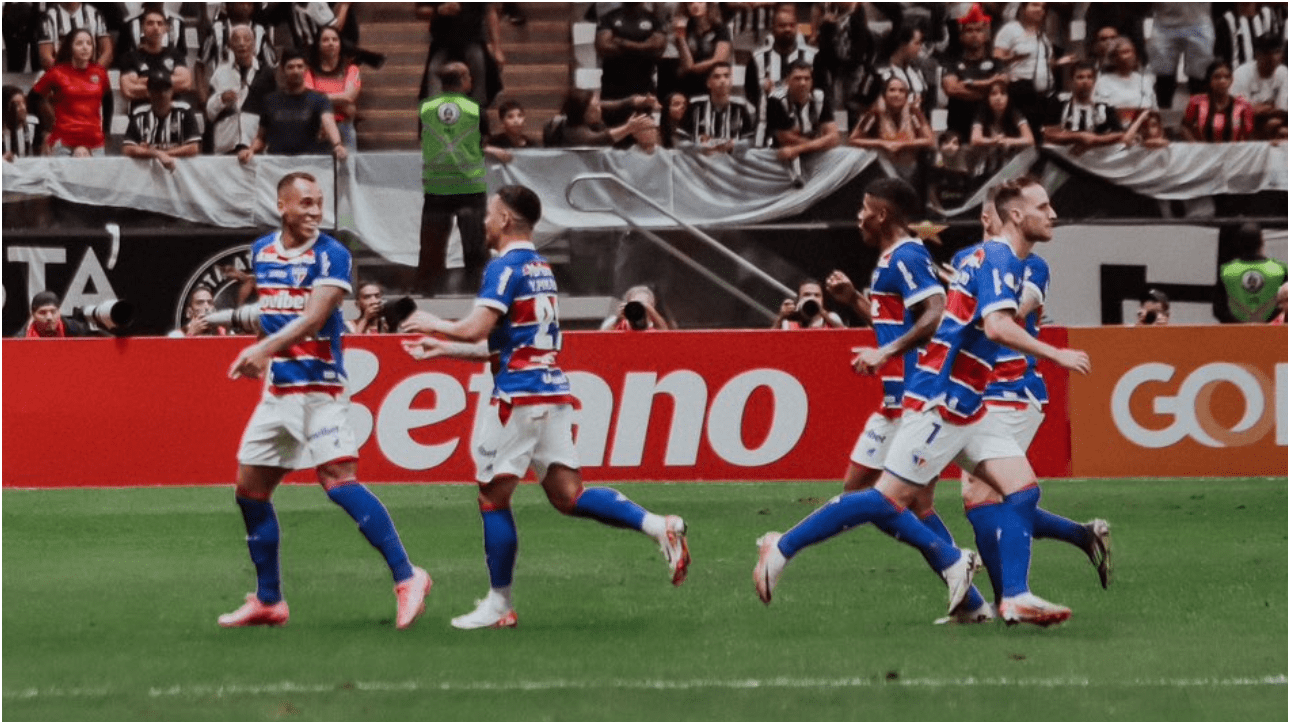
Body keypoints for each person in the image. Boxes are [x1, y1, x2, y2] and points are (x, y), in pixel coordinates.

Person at [756, 176, 1094, 627]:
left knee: (1023, 490)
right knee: (886, 500)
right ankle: (780, 548)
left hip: (971, 400)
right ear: (1017, 215)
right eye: (1044, 206)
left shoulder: (983, 257)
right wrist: (1058, 354)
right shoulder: (1000, 258)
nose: (1053, 215)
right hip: (944, 396)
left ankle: (1014, 597)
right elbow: (996, 326)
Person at [399, 184, 691, 629]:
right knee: (569, 496)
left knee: (492, 499)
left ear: (505, 220)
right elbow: (510, 344)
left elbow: (479, 328)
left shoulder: (504, 268)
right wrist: (441, 351)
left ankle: (499, 605)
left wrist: (436, 323)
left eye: (490, 214)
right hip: (550, 392)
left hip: (519, 397)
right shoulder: (540, 268)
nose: (483, 222)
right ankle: (658, 525)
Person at [752, 179, 980, 616]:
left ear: (882, 214)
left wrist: (885, 352)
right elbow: (897, 322)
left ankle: (781, 547)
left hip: (917, 396)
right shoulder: (891, 260)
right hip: (898, 399)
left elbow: (936, 314)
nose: (858, 216)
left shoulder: (910, 254)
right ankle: (967, 595)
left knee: (877, 499)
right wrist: (855, 300)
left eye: (863, 208)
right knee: (877, 495)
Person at [219, 171, 431, 629]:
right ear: (282, 206)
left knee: (338, 481)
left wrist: (261, 350)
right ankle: (269, 600)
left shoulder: (332, 254)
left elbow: (314, 319)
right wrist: (258, 344)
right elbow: (274, 312)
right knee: (250, 492)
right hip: (278, 391)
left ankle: (408, 576)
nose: (315, 211)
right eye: (306, 203)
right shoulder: (262, 252)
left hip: (321, 389)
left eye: (319, 203)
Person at [954, 192, 1112, 617]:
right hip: (975, 391)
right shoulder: (967, 258)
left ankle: (1009, 597)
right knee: (987, 497)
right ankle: (1079, 538)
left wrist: (975, 300)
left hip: (1014, 389)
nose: (989, 217)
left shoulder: (1030, 264)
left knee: (983, 493)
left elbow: (1013, 310)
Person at [417, 61, 488, 295]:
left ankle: (429, 295)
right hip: (470, 186)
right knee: (475, 247)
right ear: (464, 80)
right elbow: (483, 141)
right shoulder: (476, 109)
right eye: (469, 76)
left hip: (437, 188)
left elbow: (421, 139)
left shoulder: (425, 109)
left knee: (431, 249)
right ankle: (478, 294)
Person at [238, 48, 347, 163]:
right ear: (283, 70)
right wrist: (251, 150)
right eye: (291, 67)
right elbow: (261, 138)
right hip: (278, 165)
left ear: (306, 69)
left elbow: (329, 122)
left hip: (309, 164)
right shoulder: (270, 101)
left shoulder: (319, 99)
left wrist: (337, 144)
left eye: (300, 66)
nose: (295, 70)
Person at [745, 4, 822, 147]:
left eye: (791, 25)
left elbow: (819, 93)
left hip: (805, 133)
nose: (787, 29)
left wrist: (776, 91)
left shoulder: (812, 57)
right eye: (782, 25)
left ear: (797, 27)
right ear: (772, 29)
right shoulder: (757, 59)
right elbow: (751, 93)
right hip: (765, 134)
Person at [993, 2, 1074, 134]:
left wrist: (1058, 63)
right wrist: (1012, 59)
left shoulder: (1042, 35)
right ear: (1023, 8)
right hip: (1020, 93)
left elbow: (1044, 63)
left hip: (1045, 96)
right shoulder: (1011, 29)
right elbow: (996, 60)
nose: (1040, 10)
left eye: (1043, 7)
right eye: (1035, 5)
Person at [31, 28, 108, 157]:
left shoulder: (100, 72)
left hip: (94, 140)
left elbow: (108, 101)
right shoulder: (57, 72)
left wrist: (107, 131)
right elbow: (34, 97)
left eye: (89, 43)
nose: (85, 47)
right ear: (70, 47)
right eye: (79, 43)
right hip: (64, 138)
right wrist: (45, 130)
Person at [205, 23, 277, 156]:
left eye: (246, 39)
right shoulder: (220, 73)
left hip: (255, 146)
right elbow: (209, 113)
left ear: (254, 45)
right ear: (230, 45)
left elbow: (273, 110)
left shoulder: (266, 74)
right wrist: (221, 99)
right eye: (237, 39)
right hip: (225, 144)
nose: (242, 43)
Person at [765, 59, 840, 185]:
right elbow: (786, 139)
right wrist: (822, 143)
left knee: (850, 155)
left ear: (812, 81)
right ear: (787, 80)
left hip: (809, 151)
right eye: (797, 78)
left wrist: (799, 148)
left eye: (807, 78)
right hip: (781, 154)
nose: (802, 83)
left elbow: (834, 137)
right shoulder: (776, 100)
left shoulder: (819, 98)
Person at [941, 4, 1008, 143]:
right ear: (961, 36)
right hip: (958, 128)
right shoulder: (952, 62)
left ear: (986, 35)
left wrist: (967, 85)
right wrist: (987, 90)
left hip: (988, 128)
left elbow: (1002, 86)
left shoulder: (996, 62)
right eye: (969, 30)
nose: (974, 34)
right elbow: (952, 89)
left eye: (978, 30)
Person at [416, 2, 502, 109]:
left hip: (473, 40)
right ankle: (435, 113)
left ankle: (479, 113)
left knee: (479, 66)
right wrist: (438, 11)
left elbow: (490, 11)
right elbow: (419, 11)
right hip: (442, 43)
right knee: (433, 71)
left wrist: (497, 49)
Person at [848, 75, 934, 182]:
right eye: (892, 90)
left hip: (909, 164)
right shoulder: (874, 113)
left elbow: (929, 140)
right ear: (884, 95)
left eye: (901, 91)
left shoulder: (914, 112)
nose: (896, 94)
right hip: (882, 163)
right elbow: (854, 139)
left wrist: (902, 144)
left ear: (906, 96)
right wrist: (881, 143)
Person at [118, 7, 193, 116]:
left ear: (166, 28)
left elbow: (186, 83)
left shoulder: (175, 54)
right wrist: (166, 86)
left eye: (160, 23)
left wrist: (143, 81)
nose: (155, 27)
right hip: (141, 114)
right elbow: (129, 90)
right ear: (142, 29)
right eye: (150, 23)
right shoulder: (130, 57)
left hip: (173, 114)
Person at [594, 3, 667, 114]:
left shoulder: (653, 19)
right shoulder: (609, 17)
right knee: (613, 128)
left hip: (643, 86)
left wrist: (622, 42)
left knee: (642, 127)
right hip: (613, 88)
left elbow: (657, 47)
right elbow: (603, 46)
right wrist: (643, 47)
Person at [122, 71, 201, 171]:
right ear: (148, 92)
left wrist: (162, 154)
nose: (162, 94)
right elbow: (128, 148)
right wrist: (156, 154)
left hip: (179, 172)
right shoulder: (139, 114)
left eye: (166, 89)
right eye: (157, 90)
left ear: (172, 91)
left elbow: (193, 148)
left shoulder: (184, 111)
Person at [1043, 62, 1125, 153]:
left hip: (1096, 153)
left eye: (1089, 77)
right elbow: (1048, 134)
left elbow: (1118, 133)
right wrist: (1080, 136)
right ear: (1071, 81)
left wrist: (1095, 139)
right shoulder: (1059, 101)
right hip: (1064, 153)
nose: (1085, 81)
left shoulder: (1104, 104)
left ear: (1094, 81)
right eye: (1080, 77)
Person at [1215, 223, 1289, 323]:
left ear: (1238, 244)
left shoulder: (1226, 271)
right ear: (1262, 243)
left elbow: (1219, 310)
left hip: (1235, 335)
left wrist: (1242, 325)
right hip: (1272, 334)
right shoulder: (1280, 269)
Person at [1147, 4, 1215, 110]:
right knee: (1163, 74)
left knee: (1199, 75)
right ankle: (1163, 116)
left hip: (1198, 21)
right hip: (1164, 22)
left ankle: (1200, 115)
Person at [305, 25, 361, 151]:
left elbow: (349, 97)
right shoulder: (309, 71)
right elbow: (308, 99)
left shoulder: (351, 69)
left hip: (344, 127)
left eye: (335, 40)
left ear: (340, 44)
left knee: (347, 169)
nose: (331, 43)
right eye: (325, 40)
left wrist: (321, 99)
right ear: (318, 44)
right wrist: (341, 102)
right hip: (318, 128)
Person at [679, 62, 756, 153]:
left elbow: (750, 141)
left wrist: (733, 144)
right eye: (717, 77)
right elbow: (680, 141)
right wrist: (700, 147)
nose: (722, 80)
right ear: (708, 83)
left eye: (726, 76)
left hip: (730, 162)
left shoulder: (740, 107)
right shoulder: (695, 105)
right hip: (701, 161)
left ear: (731, 82)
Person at [542, 89, 656, 148]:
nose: (599, 109)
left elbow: (615, 104)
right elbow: (600, 139)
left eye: (598, 105)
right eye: (593, 109)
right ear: (582, 113)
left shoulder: (590, 109)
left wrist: (634, 101)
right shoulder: (574, 132)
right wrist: (628, 128)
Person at [970, 79, 1034, 177]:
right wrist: (993, 141)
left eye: (1003, 93)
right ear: (987, 97)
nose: (998, 98)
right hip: (986, 167)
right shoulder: (981, 113)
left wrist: (1007, 140)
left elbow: (1030, 139)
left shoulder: (1015, 114)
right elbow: (975, 139)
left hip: (1009, 166)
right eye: (993, 94)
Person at [1182, 60, 1255, 143]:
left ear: (1231, 80)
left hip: (1232, 153)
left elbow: (1248, 134)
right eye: (1217, 77)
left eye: (1227, 77)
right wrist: (1194, 145)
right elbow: (1185, 127)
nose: (1222, 81)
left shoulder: (1243, 105)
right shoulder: (1196, 102)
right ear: (1209, 80)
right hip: (1203, 153)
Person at [673, 1, 733, 99]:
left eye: (700, 2)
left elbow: (719, 59)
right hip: (689, 83)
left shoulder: (720, 29)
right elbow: (686, 63)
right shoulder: (685, 29)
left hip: (712, 82)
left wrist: (693, 68)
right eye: (690, 3)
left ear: (708, 4)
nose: (695, 5)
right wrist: (681, 37)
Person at [1093, 38, 1158, 127]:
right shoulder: (1103, 81)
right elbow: (1102, 112)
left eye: (1131, 52)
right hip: (1115, 129)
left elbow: (1154, 110)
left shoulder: (1145, 80)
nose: (1129, 56)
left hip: (1144, 128)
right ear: (1114, 57)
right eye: (1125, 52)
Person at [37, 2, 112, 71]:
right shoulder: (49, 16)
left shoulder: (94, 13)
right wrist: (64, 76)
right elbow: (45, 57)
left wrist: (93, 72)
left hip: (90, 74)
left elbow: (107, 52)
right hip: (62, 77)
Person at [1231, 34, 1288, 122]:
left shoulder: (1284, 73)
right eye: (1267, 53)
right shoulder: (1241, 73)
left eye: (1276, 52)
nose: (1272, 57)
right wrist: (1270, 107)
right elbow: (1238, 111)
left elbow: (1282, 110)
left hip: (1271, 122)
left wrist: (1260, 108)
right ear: (1257, 55)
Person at [772, 278, 844, 329]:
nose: (812, 298)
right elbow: (769, 342)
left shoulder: (831, 319)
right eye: (807, 295)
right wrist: (781, 316)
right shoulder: (789, 324)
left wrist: (823, 313)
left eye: (817, 295)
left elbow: (847, 336)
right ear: (798, 299)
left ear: (822, 300)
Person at [16, 290, 91, 337]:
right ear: (33, 315)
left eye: (53, 312)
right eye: (42, 313)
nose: (49, 317)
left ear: (59, 312)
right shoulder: (21, 339)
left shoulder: (79, 331)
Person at [601, 285, 673, 331]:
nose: (638, 309)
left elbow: (665, 333)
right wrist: (617, 320)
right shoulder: (620, 323)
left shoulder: (651, 326)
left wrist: (648, 308)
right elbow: (602, 337)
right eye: (634, 304)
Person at [3, 84, 44, 160]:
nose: (23, 108)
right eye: (16, 105)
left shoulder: (33, 125)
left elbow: (40, 156)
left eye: (23, 103)